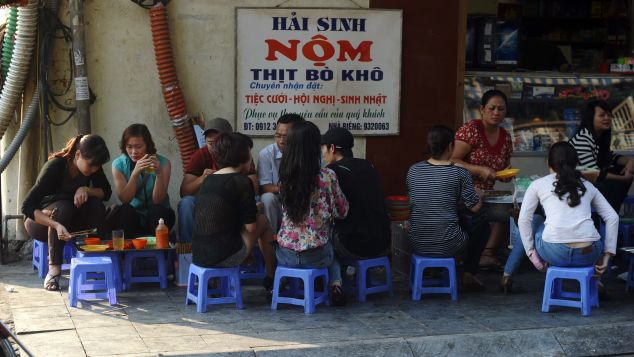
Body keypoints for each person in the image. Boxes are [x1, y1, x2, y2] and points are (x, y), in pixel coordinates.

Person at [22, 135, 111, 290]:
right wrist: (55, 224)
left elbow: (106, 192)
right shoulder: (55, 166)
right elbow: (27, 206)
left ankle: (94, 260)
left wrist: (86, 189)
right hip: (41, 222)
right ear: (78, 155)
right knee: (64, 207)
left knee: (96, 204)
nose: (93, 170)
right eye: (90, 166)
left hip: (71, 223)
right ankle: (54, 270)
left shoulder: (93, 166)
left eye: (97, 167)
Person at [518, 142, 617, 279]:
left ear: (549, 163)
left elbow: (523, 219)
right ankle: (594, 283)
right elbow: (612, 217)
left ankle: (539, 263)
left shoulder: (537, 185)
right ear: (575, 163)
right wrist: (607, 255)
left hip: (554, 253)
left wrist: (531, 254)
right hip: (588, 253)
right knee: (591, 230)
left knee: (540, 224)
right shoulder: (588, 185)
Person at [276, 121, 349, 305]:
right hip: (316, 256)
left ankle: (281, 281)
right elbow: (342, 211)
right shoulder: (327, 176)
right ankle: (336, 284)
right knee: (331, 242)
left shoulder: (284, 178)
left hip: (286, 254)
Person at [192, 132, 276, 292]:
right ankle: (271, 278)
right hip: (224, 257)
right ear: (243, 156)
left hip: (199, 256)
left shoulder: (209, 179)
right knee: (263, 221)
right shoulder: (241, 182)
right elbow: (251, 227)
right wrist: (255, 210)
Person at [407, 125, 488, 290]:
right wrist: (479, 194)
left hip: (416, 242)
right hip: (449, 244)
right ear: (451, 146)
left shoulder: (413, 170)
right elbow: (475, 207)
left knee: (445, 216)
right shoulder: (460, 173)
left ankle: (434, 270)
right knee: (481, 225)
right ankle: (468, 274)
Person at [452, 89, 513, 271]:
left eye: (500, 109)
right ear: (482, 109)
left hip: (488, 194)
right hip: (464, 192)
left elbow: (501, 169)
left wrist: (505, 174)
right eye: (492, 108)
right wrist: (478, 169)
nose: (496, 113)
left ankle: (487, 254)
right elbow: (451, 161)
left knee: (510, 211)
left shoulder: (506, 137)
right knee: (476, 217)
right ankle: (469, 256)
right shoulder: (471, 130)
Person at [320, 127, 390, 260]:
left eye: (323, 148)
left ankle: (336, 277)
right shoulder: (368, 165)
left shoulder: (330, 172)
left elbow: (330, 211)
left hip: (353, 247)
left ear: (332, 148)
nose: (322, 153)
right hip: (382, 244)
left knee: (322, 235)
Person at [110, 123, 175, 237]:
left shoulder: (163, 163)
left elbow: (158, 200)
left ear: (148, 145)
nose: (134, 152)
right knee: (125, 210)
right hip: (135, 216)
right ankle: (126, 252)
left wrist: (159, 173)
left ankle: (158, 251)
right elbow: (125, 199)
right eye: (129, 147)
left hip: (158, 217)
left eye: (138, 147)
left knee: (157, 210)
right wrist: (135, 174)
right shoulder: (119, 164)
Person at [569, 100, 634, 213]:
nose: (607, 118)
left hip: (588, 183)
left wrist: (630, 161)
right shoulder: (583, 138)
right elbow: (593, 173)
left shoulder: (598, 137)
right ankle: (608, 215)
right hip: (576, 188)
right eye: (602, 115)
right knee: (619, 179)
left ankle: (610, 214)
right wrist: (624, 178)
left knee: (624, 170)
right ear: (591, 118)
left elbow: (611, 157)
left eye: (609, 115)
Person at [178, 117, 233, 244]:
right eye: (210, 143)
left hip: (233, 200)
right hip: (205, 201)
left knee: (257, 201)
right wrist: (201, 179)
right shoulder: (201, 155)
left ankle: (251, 251)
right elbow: (184, 191)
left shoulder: (239, 152)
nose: (214, 148)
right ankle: (188, 251)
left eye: (218, 142)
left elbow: (254, 186)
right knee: (186, 203)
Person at [257, 113, 305, 234]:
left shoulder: (308, 152)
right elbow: (263, 187)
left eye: (286, 136)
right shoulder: (266, 154)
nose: (281, 141)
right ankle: (271, 240)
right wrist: (286, 188)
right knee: (267, 198)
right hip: (279, 201)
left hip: (302, 200)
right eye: (278, 136)